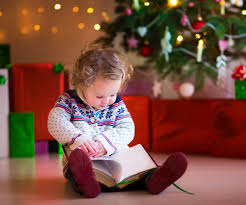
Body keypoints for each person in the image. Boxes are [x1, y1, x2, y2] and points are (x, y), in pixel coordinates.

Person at [48, 46, 188, 198]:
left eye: (113, 94)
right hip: (85, 159)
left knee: (137, 168)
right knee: (76, 169)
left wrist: (104, 143)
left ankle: (154, 179)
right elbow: (55, 121)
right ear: (81, 85)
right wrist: (77, 138)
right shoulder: (69, 100)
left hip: (117, 157)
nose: (107, 101)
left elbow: (127, 129)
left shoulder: (116, 105)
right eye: (100, 96)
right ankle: (88, 183)